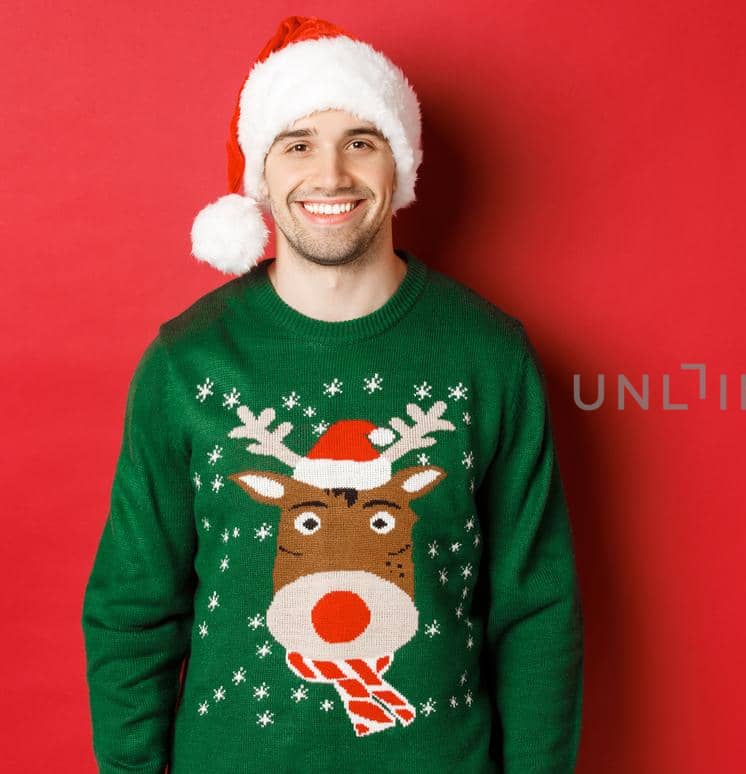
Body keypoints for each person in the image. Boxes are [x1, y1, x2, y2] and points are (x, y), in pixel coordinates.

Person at [80, 16, 583, 773]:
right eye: (298, 144)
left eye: (360, 140)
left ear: (400, 164)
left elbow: (537, 610)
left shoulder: (488, 356)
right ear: (262, 173)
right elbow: (131, 611)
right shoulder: (187, 365)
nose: (330, 176)